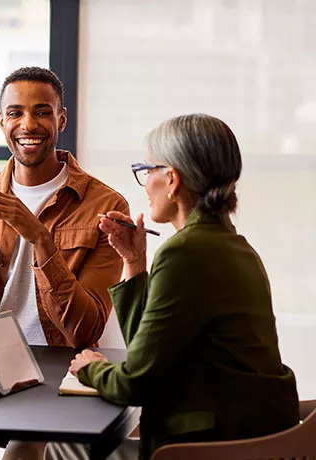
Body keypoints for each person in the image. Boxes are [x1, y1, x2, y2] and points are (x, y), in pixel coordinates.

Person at [64, 114, 299, 460]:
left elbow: (135, 383)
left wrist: (90, 367)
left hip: (210, 449)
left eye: (147, 171)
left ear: (172, 180)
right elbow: (147, 356)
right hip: (258, 443)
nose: (145, 185)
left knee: (62, 445)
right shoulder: (240, 249)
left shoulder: (184, 252)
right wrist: (134, 261)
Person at [0, 66, 129, 349]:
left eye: (42, 112)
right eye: (15, 113)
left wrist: (40, 238)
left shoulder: (106, 206)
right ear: (1, 121)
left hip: (63, 366)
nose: (29, 125)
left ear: (61, 119)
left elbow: (86, 331)